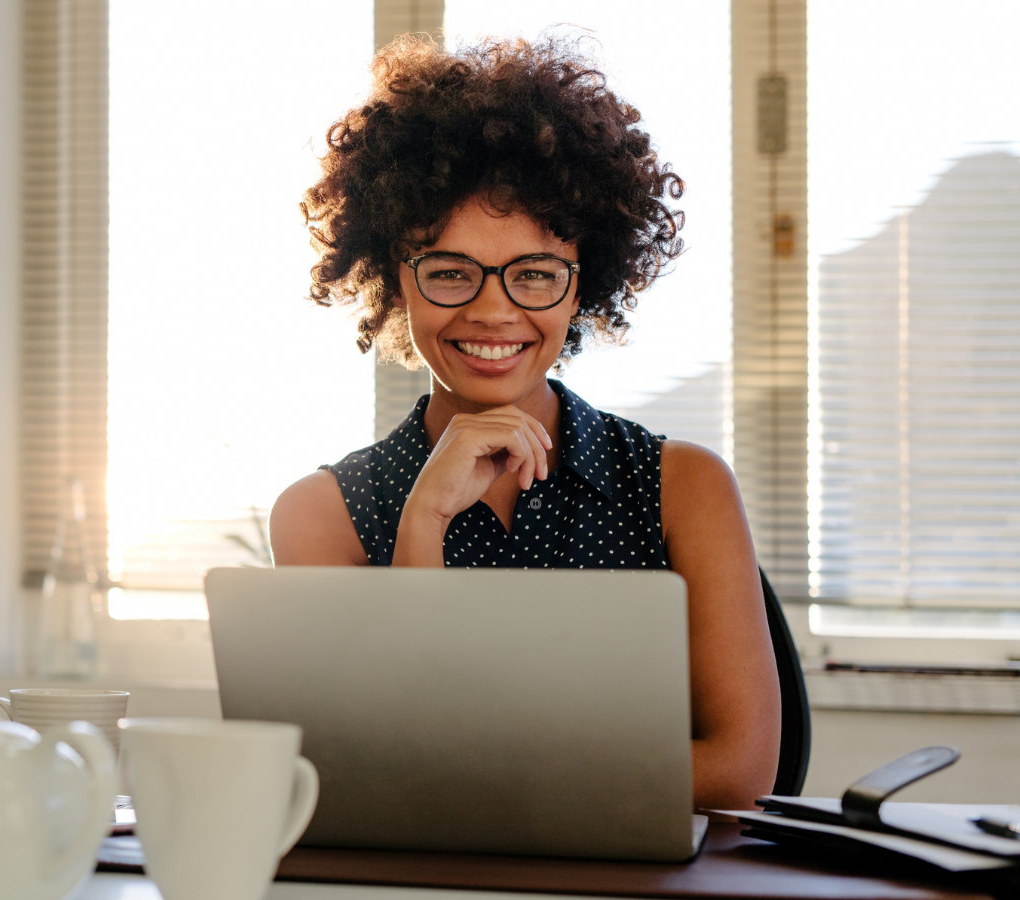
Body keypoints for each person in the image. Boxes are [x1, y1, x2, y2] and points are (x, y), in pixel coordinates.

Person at [270, 34, 780, 811]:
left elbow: (740, 770)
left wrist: (481, 775)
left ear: (584, 286)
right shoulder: (320, 516)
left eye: (535, 274)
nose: (493, 309)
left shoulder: (686, 487)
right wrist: (424, 524)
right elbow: (371, 762)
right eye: (449, 271)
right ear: (396, 282)